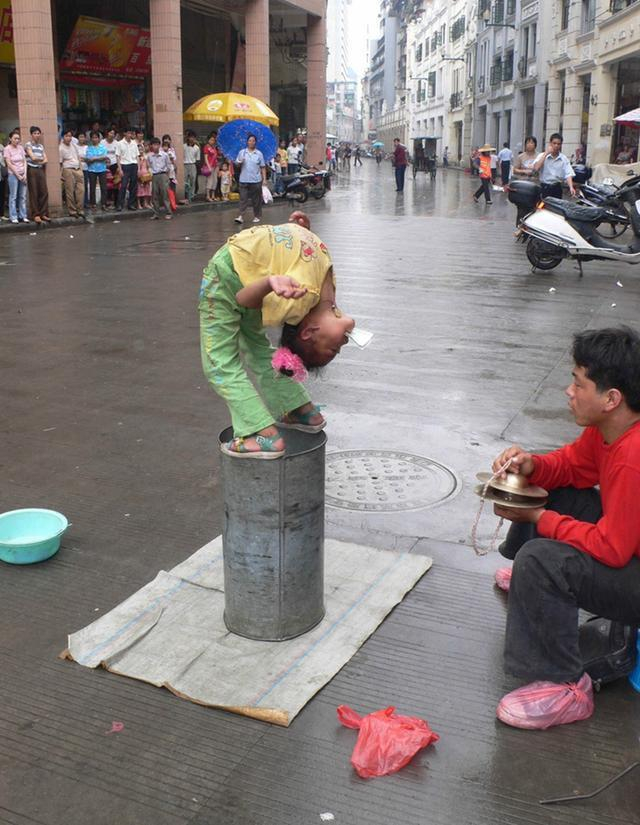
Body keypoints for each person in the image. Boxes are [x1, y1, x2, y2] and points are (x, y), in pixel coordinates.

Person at [490, 326, 640, 730]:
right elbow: (572, 466)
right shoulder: (610, 429)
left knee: (542, 559)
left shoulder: (634, 455)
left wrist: (540, 520)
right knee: (544, 489)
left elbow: (613, 550)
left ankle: (566, 686)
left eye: (578, 383)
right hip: (629, 548)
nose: (569, 392)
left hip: (630, 565)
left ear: (611, 399)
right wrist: (531, 466)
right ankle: (532, 585)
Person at [198, 211, 355, 459]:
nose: (345, 342)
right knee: (257, 347)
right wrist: (303, 232)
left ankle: (259, 434)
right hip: (247, 269)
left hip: (231, 275)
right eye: (336, 350)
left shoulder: (299, 297)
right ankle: (300, 409)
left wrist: (268, 283)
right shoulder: (325, 299)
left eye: (335, 348)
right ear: (309, 331)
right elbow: (300, 254)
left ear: (309, 331)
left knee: (219, 362)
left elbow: (242, 299)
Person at [234, 133, 266, 225]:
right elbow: (236, 164)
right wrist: (240, 162)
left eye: (253, 141)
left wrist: (264, 180)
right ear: (247, 142)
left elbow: (263, 167)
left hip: (256, 180)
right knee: (243, 199)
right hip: (244, 179)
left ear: (255, 142)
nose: (251, 142)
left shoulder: (259, 154)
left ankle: (257, 216)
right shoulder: (242, 152)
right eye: (250, 141)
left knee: (256, 200)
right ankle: (240, 216)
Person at [533, 132, 576, 199]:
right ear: (550, 143)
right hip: (545, 187)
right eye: (554, 143)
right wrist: (546, 153)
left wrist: (571, 187)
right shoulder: (542, 156)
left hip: (557, 188)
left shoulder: (563, 159)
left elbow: (568, 173)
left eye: (558, 144)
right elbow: (536, 168)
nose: (556, 146)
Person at [24, 125, 50, 223]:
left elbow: (46, 160)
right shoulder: (28, 145)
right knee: (34, 192)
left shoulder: (41, 146)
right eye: (35, 133)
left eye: (38, 133)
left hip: (40, 169)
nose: (37, 135)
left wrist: (39, 160)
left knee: (44, 191)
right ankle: (36, 215)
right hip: (31, 169)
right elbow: (33, 158)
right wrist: (40, 159)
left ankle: (43, 213)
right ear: (31, 135)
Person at [59, 129, 85, 219]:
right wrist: (60, 174)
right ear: (63, 137)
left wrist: (81, 169)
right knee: (69, 191)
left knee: (81, 190)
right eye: (66, 136)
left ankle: (80, 209)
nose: (68, 138)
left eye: (70, 136)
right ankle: (72, 211)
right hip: (68, 169)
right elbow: (60, 163)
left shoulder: (74, 145)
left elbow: (78, 158)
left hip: (77, 168)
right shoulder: (60, 148)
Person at [4, 129, 28, 223]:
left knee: (22, 196)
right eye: (15, 138)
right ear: (10, 139)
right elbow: (9, 164)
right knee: (13, 196)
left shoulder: (20, 148)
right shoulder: (7, 149)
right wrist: (18, 175)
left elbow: (24, 161)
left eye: (18, 138)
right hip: (13, 175)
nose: (17, 140)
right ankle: (13, 216)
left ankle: (23, 215)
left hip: (22, 174)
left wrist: (25, 174)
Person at [147, 136, 172, 220]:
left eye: (157, 145)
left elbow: (168, 166)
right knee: (155, 195)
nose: (156, 146)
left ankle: (168, 212)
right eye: (154, 145)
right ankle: (156, 213)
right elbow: (149, 166)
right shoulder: (150, 156)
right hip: (154, 175)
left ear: (159, 145)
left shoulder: (164, 155)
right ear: (151, 146)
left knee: (165, 194)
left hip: (163, 175)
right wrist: (151, 172)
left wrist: (167, 177)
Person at [116, 126, 139, 211]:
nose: (130, 135)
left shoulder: (134, 143)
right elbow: (118, 157)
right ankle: (120, 204)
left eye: (131, 133)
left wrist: (138, 168)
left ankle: (131, 204)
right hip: (125, 165)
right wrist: (120, 169)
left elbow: (137, 156)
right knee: (123, 185)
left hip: (134, 165)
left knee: (133, 186)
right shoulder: (120, 143)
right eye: (128, 133)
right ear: (124, 133)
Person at [85, 130, 108, 211]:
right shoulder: (89, 148)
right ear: (91, 139)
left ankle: (104, 204)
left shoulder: (103, 147)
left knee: (103, 187)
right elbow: (89, 159)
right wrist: (99, 158)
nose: (94, 139)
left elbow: (104, 157)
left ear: (99, 138)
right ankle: (93, 204)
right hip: (92, 169)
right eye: (93, 138)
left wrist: (94, 158)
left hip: (102, 169)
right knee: (92, 187)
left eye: (96, 137)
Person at [103, 128, 119, 208]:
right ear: (107, 133)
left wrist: (119, 166)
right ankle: (107, 202)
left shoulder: (117, 143)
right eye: (110, 133)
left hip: (114, 165)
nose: (112, 135)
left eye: (113, 133)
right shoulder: (102, 142)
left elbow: (118, 155)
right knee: (107, 185)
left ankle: (116, 202)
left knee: (115, 184)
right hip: (104, 166)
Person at [183, 132, 200, 202]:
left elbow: (197, 158)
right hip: (185, 164)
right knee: (185, 180)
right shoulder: (184, 146)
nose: (192, 139)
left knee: (193, 180)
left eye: (193, 137)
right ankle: (186, 194)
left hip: (193, 164)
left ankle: (192, 195)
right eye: (190, 137)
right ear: (188, 138)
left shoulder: (197, 148)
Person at [204, 132, 219, 202]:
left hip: (215, 166)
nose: (212, 141)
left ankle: (213, 195)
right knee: (210, 180)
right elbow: (206, 158)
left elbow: (216, 157)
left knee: (215, 180)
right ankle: (208, 196)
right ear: (208, 140)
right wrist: (208, 166)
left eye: (213, 140)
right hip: (210, 166)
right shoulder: (206, 147)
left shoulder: (214, 147)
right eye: (211, 140)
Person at [76, 132, 90, 209]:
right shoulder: (75, 147)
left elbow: (89, 158)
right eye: (80, 137)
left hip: (85, 168)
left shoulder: (87, 147)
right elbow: (75, 157)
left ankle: (85, 202)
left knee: (85, 186)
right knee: (77, 186)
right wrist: (81, 159)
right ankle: (78, 202)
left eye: (83, 137)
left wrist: (82, 159)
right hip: (77, 168)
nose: (82, 138)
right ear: (77, 138)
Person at [137, 142, 152, 209]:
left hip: (146, 174)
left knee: (146, 189)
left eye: (141, 149)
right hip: (139, 174)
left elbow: (148, 166)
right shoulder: (136, 158)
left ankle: (145, 203)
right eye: (139, 150)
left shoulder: (145, 157)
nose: (140, 151)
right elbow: (138, 166)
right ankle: (138, 204)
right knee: (139, 189)